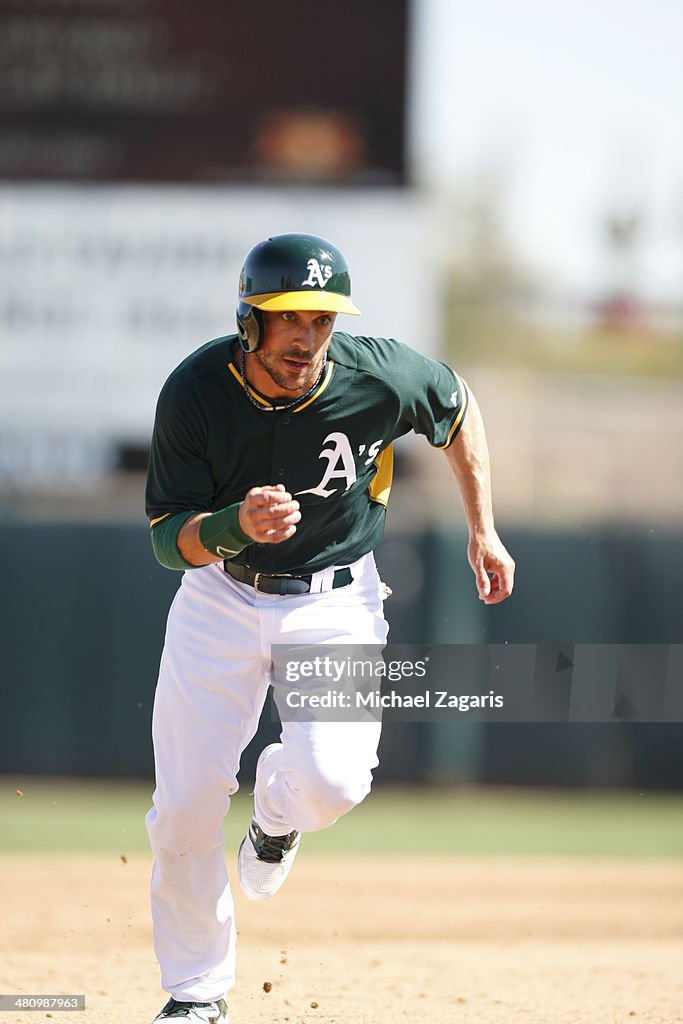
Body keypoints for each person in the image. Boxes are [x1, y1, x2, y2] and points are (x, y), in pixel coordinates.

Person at [144, 232, 515, 1023]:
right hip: (219, 596)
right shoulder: (196, 392)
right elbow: (163, 538)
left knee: (336, 782)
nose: (306, 336)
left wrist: (482, 527)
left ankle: (276, 819)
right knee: (182, 808)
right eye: (287, 318)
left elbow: (454, 405)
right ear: (250, 322)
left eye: (320, 317)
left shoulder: (374, 374)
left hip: (334, 600)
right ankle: (195, 993)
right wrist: (228, 527)